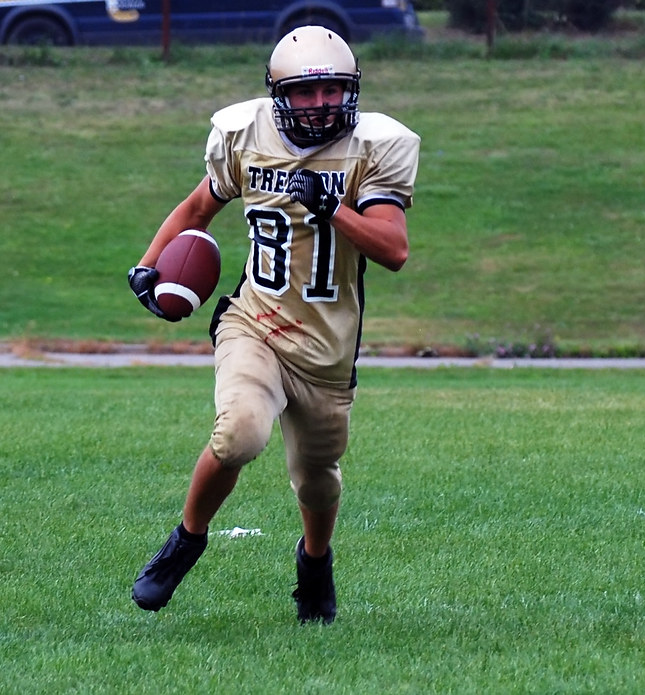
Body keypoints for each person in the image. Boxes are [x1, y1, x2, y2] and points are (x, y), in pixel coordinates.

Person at [127, 25, 420, 624]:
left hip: (327, 347)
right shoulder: (247, 136)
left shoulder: (373, 147)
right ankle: (186, 542)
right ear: (278, 94)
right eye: (305, 92)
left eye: (332, 90)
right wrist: (150, 265)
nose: (320, 104)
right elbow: (197, 208)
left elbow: (393, 249)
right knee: (239, 434)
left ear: (351, 91)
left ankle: (314, 564)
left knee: (318, 481)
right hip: (255, 322)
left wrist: (330, 206)